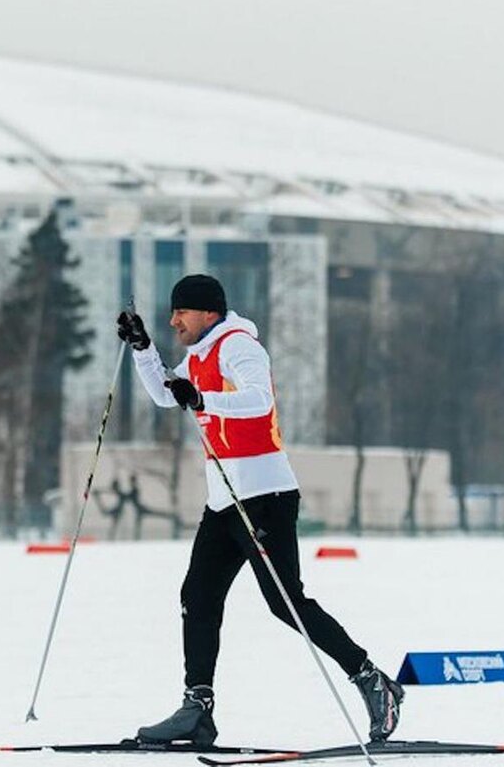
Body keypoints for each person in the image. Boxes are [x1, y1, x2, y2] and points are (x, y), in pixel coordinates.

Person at [115, 274, 403, 747]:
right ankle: (197, 710)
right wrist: (143, 350)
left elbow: (259, 400)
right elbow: (168, 394)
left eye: (180, 312)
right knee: (198, 598)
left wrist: (204, 398)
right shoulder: (200, 353)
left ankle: (373, 680)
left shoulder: (237, 345)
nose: (174, 321)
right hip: (223, 501)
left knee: (286, 603)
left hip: (264, 497)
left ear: (208, 311)